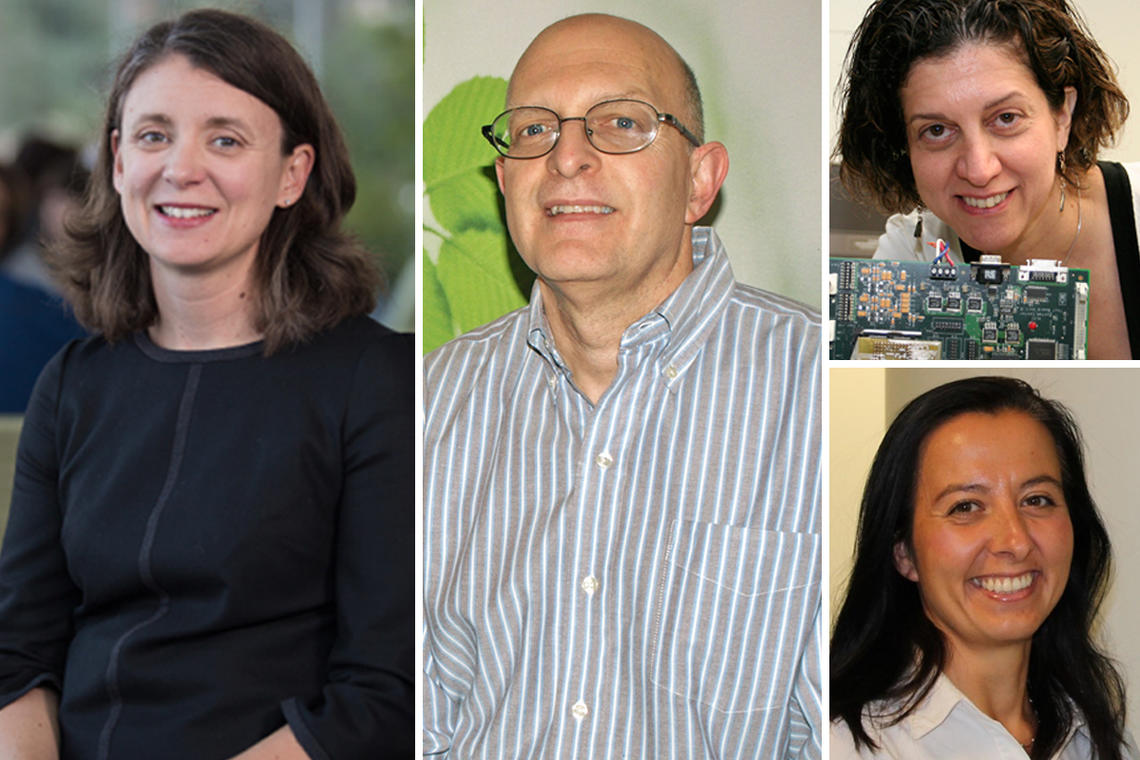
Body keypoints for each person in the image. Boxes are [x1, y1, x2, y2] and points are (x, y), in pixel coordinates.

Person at [0, 9, 412, 759]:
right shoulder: (73, 384)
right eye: (154, 135)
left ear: (293, 173)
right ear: (119, 161)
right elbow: (19, 653)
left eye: (225, 139)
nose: (181, 168)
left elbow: (383, 691)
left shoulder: (373, 380)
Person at [424, 13, 821, 759]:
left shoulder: (815, 389)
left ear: (700, 181)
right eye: (535, 130)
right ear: (505, 179)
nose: (568, 157)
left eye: (620, 123)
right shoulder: (433, 401)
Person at [830, 376, 1130, 759]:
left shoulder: (1098, 738)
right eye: (966, 507)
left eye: (1037, 500)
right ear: (904, 553)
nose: (1015, 542)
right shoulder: (845, 744)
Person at [837, 0, 1135, 359]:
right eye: (936, 130)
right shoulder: (911, 251)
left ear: (1062, 116)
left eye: (1006, 118)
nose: (978, 171)